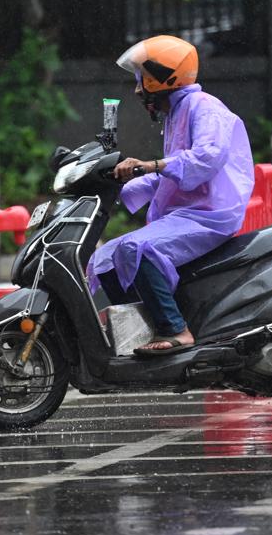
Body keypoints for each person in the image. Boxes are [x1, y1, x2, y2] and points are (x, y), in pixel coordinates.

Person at [88, 35, 255, 356]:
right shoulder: (177, 113)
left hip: (211, 213)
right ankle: (137, 327)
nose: (138, 89)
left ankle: (176, 330)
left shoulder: (204, 108)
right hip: (186, 212)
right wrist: (113, 187)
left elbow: (206, 158)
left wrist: (148, 165)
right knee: (107, 258)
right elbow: (166, 176)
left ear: (164, 77)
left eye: (143, 79)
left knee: (137, 247)